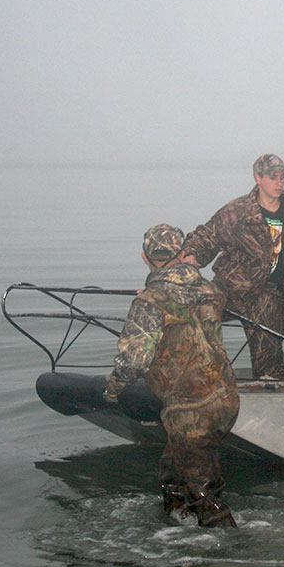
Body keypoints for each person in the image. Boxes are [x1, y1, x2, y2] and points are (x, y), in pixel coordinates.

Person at [103, 224, 239, 527]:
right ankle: (179, 531)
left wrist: (113, 389)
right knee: (171, 473)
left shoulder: (149, 302)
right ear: (182, 253)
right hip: (226, 399)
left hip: (191, 408)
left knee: (203, 492)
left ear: (144, 257)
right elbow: (193, 295)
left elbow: (133, 360)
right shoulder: (211, 291)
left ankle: (234, 551)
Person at [179, 154, 284, 380]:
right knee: (194, 310)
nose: (279, 183)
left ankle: (270, 394)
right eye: (273, 177)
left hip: (269, 296)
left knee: (269, 364)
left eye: (282, 177)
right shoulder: (237, 211)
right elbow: (207, 236)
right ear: (258, 178)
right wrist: (192, 254)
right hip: (232, 287)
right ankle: (202, 379)